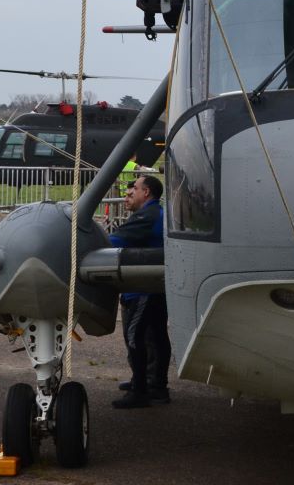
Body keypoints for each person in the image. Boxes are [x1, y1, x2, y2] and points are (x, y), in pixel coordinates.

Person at [109, 174, 172, 409]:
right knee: (156, 335)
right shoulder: (157, 214)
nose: (130, 192)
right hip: (156, 286)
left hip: (143, 288)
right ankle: (155, 385)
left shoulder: (147, 216)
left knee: (135, 336)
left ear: (146, 193)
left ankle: (141, 391)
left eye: (134, 188)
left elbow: (114, 240)